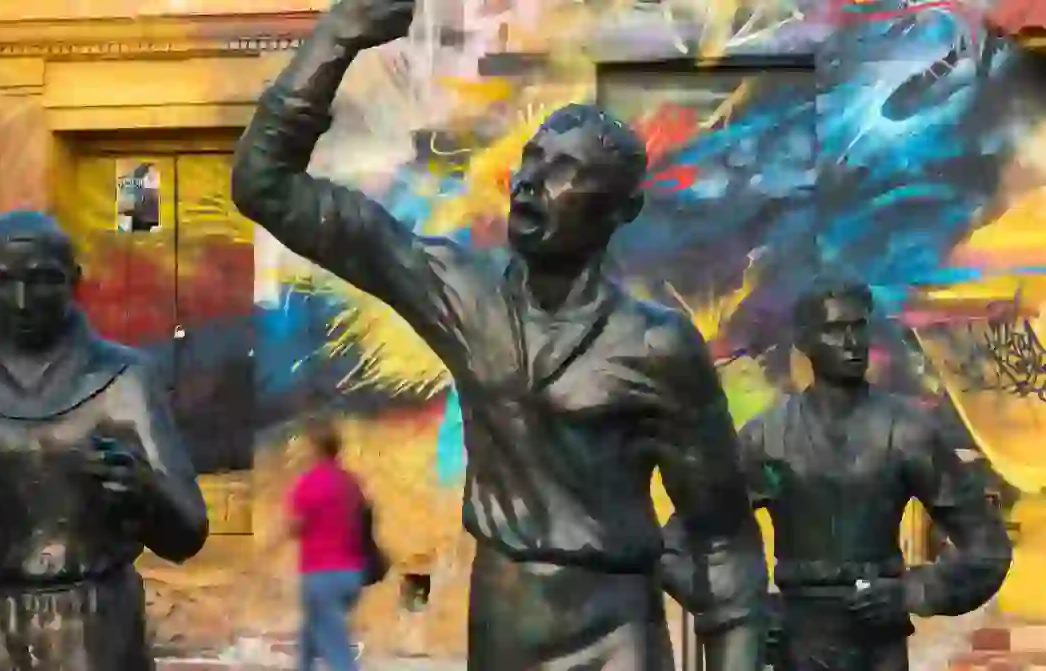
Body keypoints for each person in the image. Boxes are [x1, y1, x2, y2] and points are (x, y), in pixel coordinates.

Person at [230, 0, 768, 668]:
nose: (532, 183)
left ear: (620, 208)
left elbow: (723, 546)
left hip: (615, 635)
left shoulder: (655, 347)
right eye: (531, 159)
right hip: (503, 628)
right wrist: (339, 35)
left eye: (566, 171)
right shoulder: (463, 291)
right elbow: (266, 186)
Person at [0, 210, 209, 671]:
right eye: (2, 281)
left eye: (42, 279)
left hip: (100, 625)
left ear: (74, 280)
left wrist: (144, 492)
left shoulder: (124, 377)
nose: (23, 300)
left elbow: (186, 535)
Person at [665, 278, 1012, 671]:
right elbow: (676, 547)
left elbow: (986, 547)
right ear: (805, 341)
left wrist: (914, 591)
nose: (851, 341)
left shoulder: (908, 431)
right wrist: (749, 611)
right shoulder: (767, 438)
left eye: (858, 326)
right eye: (833, 329)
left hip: (878, 643)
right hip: (798, 644)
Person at [264, 420, 367, 671]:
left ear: (315, 449)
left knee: (337, 651)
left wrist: (270, 546)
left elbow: (295, 525)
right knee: (309, 639)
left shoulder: (310, 483)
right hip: (351, 575)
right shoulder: (350, 482)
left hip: (322, 576)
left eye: (304, 445)